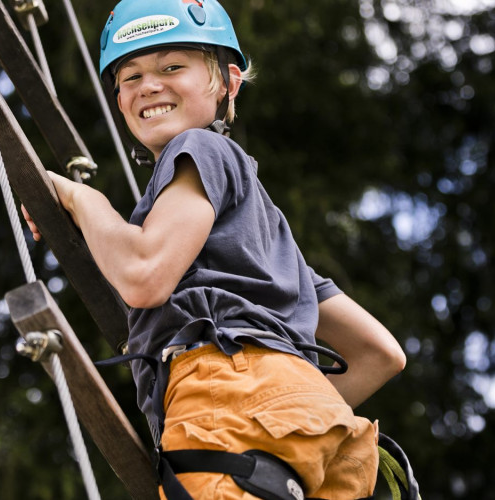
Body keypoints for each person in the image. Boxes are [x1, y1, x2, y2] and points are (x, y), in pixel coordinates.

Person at [23, 0, 407, 498]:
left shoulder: (202, 147)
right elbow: (381, 355)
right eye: (130, 75)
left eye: (172, 66)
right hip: (323, 432)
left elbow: (145, 275)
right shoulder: (266, 247)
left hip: (227, 400)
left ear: (228, 81)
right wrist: (292, 415)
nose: (149, 84)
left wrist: (80, 198)